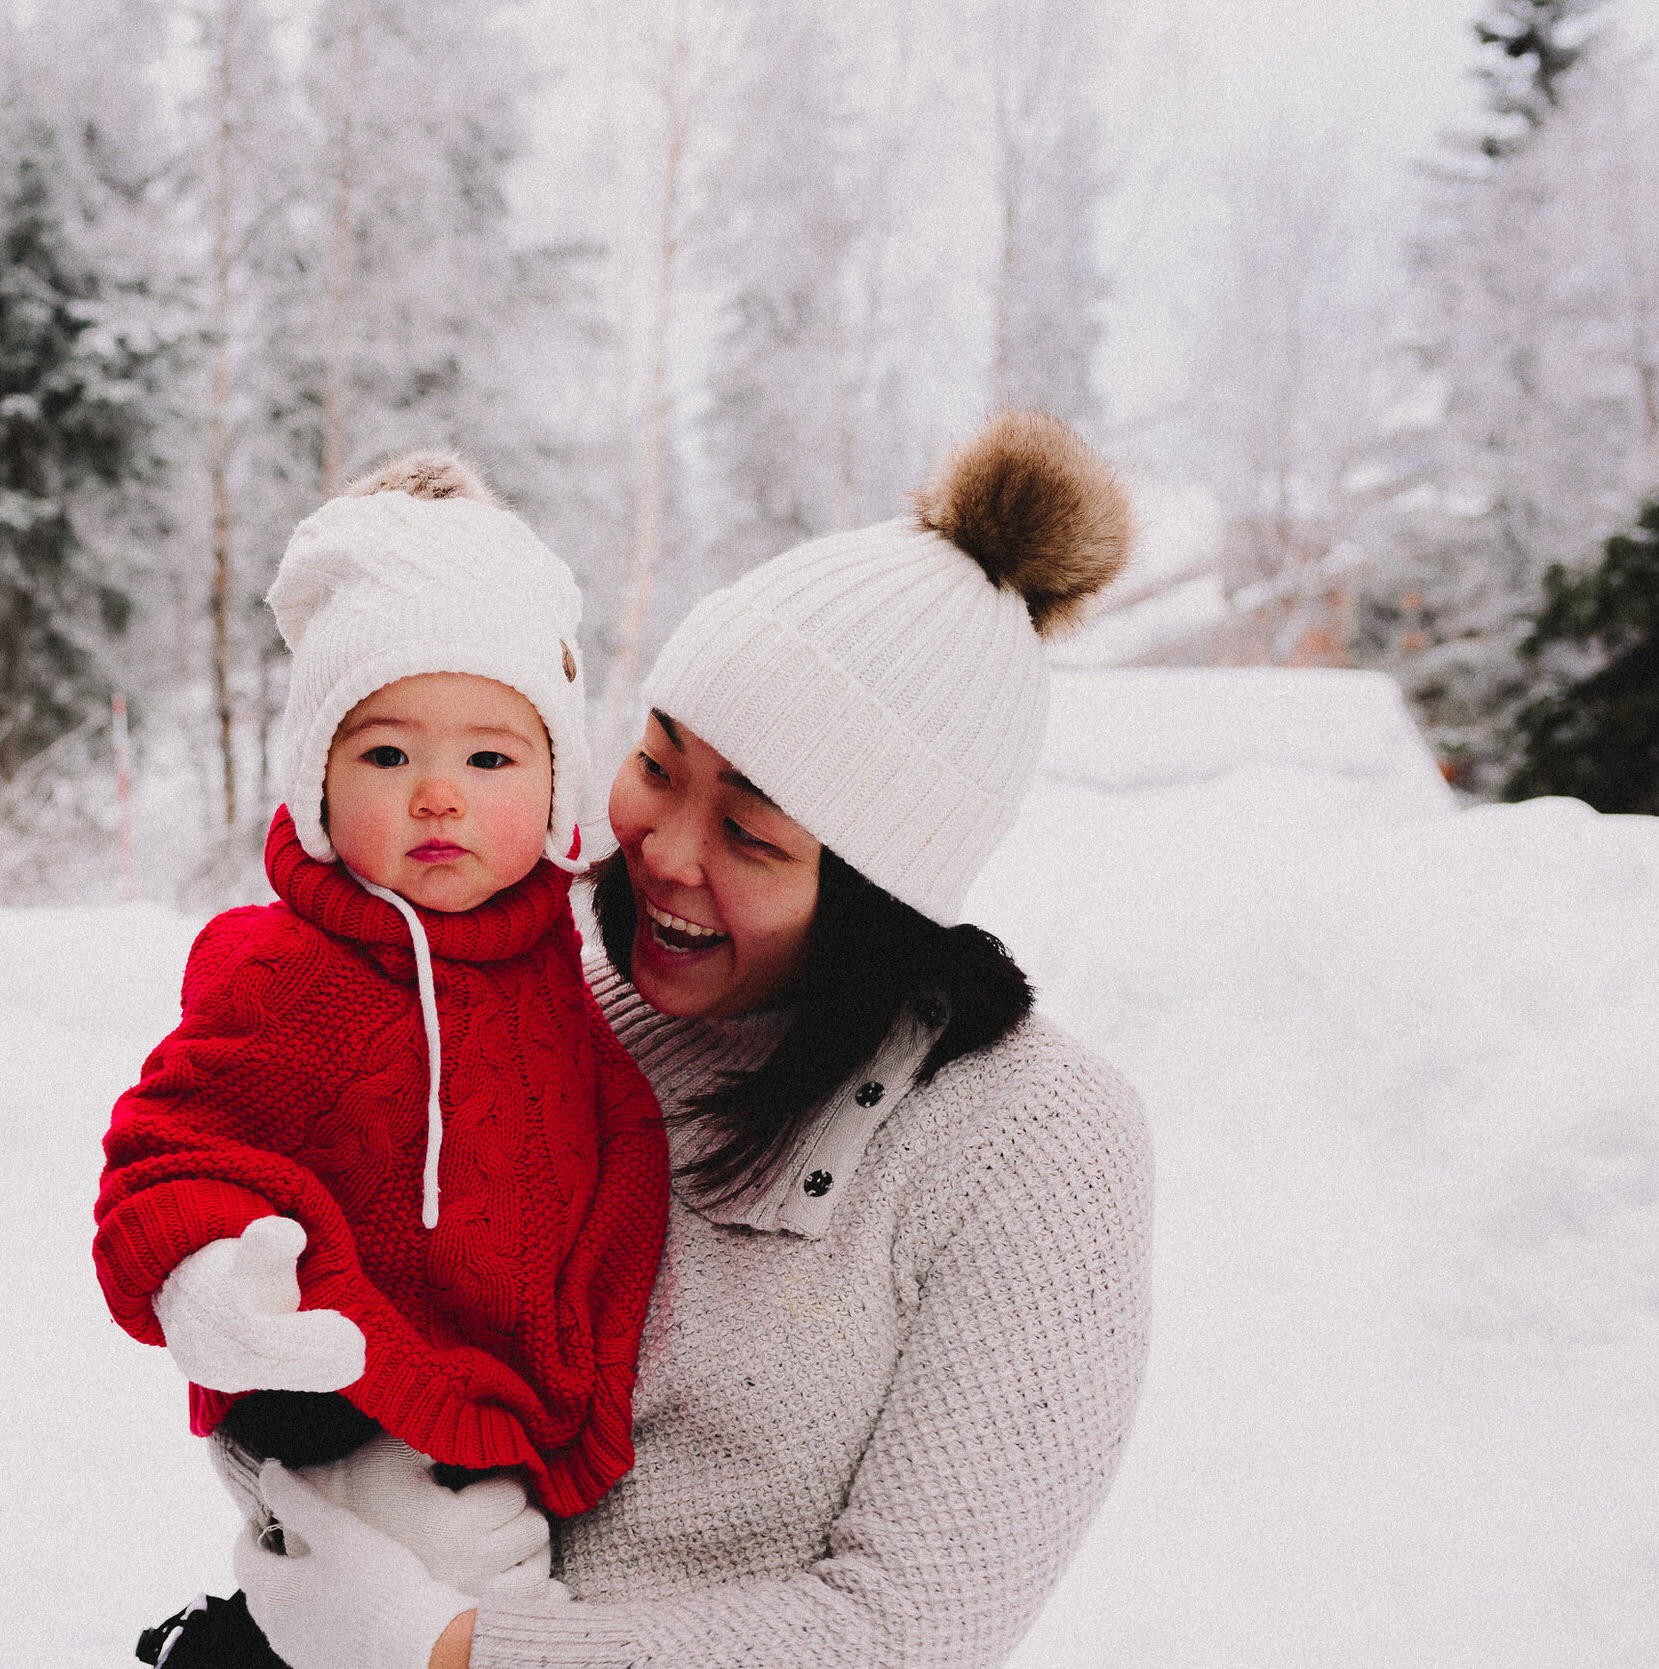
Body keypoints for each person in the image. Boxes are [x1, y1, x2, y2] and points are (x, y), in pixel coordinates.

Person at [221, 411, 1156, 1669]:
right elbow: (301, 1296)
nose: (658, 849)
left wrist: (449, 1649)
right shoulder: (536, 988)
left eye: (753, 836)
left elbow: (909, 1626)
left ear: (882, 897)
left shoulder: (1033, 1141)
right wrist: (328, 1502)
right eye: (657, 764)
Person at [95, 455, 672, 1667]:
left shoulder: (561, 978)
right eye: (387, 755)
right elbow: (168, 1153)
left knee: (484, 1586)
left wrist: (590, 1372)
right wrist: (215, 1278)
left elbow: (617, 1158)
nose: (438, 799)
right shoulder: (289, 968)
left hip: (500, 1427)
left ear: (558, 779)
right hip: (343, 1412)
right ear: (317, 778)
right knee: (435, 1597)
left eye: (489, 759)